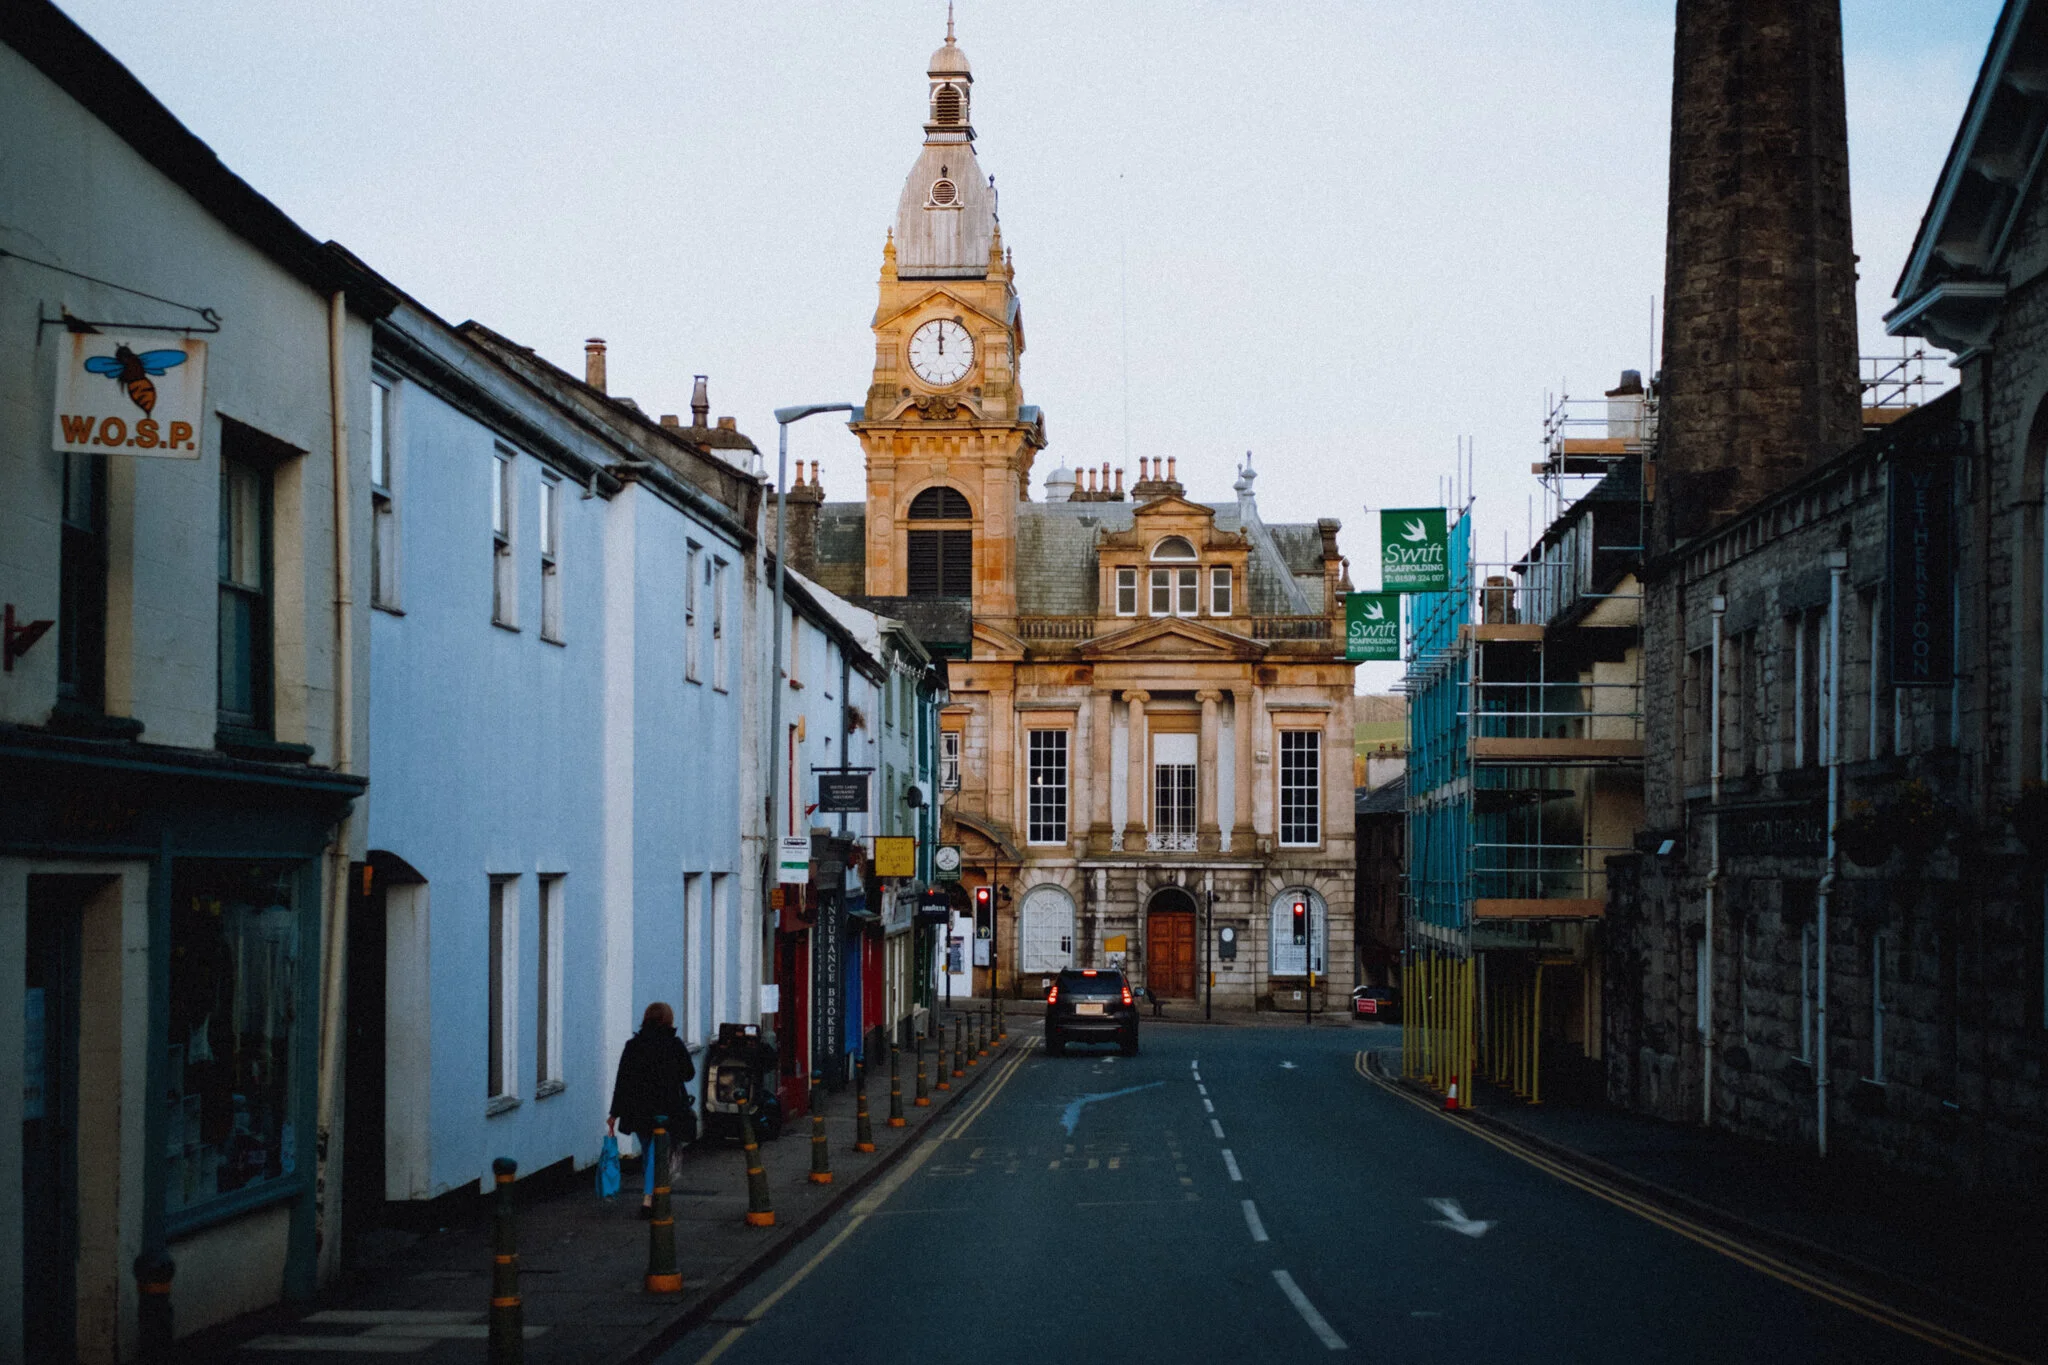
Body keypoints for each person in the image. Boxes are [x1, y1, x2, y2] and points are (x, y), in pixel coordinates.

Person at [608, 1002, 695, 1217]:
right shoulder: (673, 1045)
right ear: (668, 1020)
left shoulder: (633, 1045)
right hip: (665, 1110)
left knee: (649, 1152)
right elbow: (688, 1073)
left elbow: (623, 1081)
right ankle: (648, 1199)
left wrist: (614, 1113)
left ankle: (651, 1193)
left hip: (638, 1110)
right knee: (659, 1153)